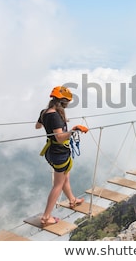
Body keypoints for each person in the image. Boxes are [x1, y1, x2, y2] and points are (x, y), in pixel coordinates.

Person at [36, 86, 88, 226]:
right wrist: (72, 130)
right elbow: (59, 137)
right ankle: (46, 217)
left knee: (65, 178)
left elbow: (38, 126)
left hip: (50, 151)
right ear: (63, 101)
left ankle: (72, 200)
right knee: (58, 185)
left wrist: (56, 124)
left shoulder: (45, 112)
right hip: (59, 152)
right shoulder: (55, 115)